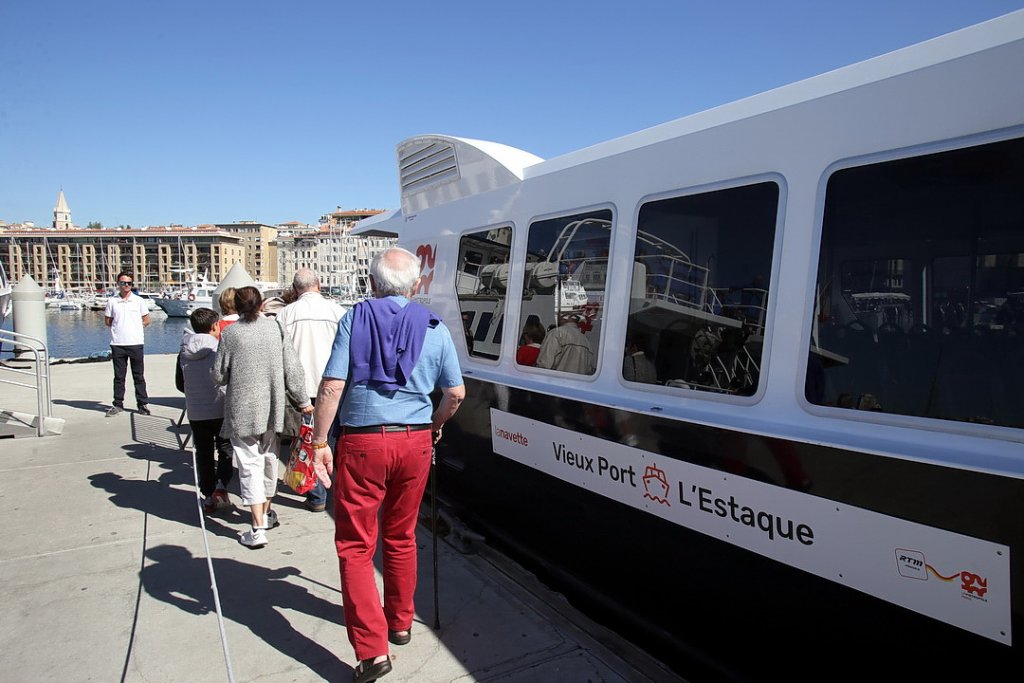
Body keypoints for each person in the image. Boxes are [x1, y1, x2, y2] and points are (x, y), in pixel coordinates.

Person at [311, 247, 464, 683]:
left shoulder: (354, 319)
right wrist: (434, 426)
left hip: (363, 443)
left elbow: (333, 384)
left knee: (356, 546)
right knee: (401, 535)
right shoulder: (435, 327)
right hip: (414, 441)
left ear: (373, 283)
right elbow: (455, 394)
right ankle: (400, 622)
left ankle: (372, 652)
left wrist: (319, 440)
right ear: (416, 285)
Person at [213, 286, 312, 549]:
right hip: (273, 406)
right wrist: (303, 401)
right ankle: (265, 514)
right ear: (261, 305)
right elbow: (293, 368)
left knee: (249, 466)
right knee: (269, 461)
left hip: (241, 409)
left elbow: (219, 374)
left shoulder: (230, 334)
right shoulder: (276, 328)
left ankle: (257, 528)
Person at [277, 268, 347, 512]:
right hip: (334, 384)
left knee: (307, 440)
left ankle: (317, 494)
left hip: (301, 388)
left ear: (296, 289)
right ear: (319, 284)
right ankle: (332, 485)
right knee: (331, 438)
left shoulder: (286, 314)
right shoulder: (338, 311)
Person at [180, 308, 234, 512]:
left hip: (196, 409)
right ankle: (222, 485)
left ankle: (208, 493)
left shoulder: (183, 350)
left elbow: (179, 382)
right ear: (214, 326)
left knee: (203, 452)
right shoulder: (219, 348)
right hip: (219, 406)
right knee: (225, 448)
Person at [104, 271, 151, 416]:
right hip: (118, 344)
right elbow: (107, 321)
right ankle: (118, 404)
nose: (126, 286)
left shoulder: (138, 301)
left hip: (135, 343)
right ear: (118, 284)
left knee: (139, 376)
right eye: (123, 283)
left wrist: (135, 328)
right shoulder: (112, 301)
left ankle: (142, 404)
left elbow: (147, 319)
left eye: (129, 283)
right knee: (119, 377)